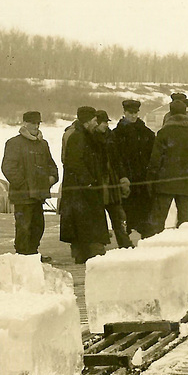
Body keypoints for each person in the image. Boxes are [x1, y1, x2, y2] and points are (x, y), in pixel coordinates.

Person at [1, 111, 59, 256]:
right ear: (25, 123)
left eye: (38, 123)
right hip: (22, 196)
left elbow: (51, 166)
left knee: (38, 226)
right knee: (23, 227)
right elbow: (8, 168)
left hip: (38, 196)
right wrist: (24, 185)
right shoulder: (14, 143)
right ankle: (22, 256)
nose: (36, 126)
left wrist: (51, 179)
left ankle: (33, 254)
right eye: (33, 123)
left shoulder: (42, 144)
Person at [59, 106, 110, 264]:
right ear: (87, 121)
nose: (96, 123)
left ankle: (85, 253)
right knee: (85, 222)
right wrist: (88, 180)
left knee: (84, 223)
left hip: (85, 189)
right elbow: (75, 162)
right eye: (95, 120)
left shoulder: (87, 136)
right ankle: (90, 253)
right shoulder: (78, 137)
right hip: (81, 190)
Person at [146, 99, 188, 235]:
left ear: (170, 114)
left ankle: (155, 248)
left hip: (164, 183)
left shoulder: (163, 133)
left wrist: (151, 180)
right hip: (186, 183)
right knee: (185, 222)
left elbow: (155, 160)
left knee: (158, 221)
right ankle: (184, 249)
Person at [112, 99, 156, 236]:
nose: (133, 116)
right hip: (126, 179)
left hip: (142, 179)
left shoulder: (146, 133)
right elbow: (115, 158)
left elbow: (152, 155)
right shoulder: (116, 134)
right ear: (124, 112)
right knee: (126, 214)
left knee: (144, 213)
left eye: (135, 113)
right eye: (130, 113)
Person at [92, 110, 133, 249]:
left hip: (112, 182)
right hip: (100, 183)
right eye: (103, 122)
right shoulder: (91, 139)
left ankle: (125, 243)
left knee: (118, 215)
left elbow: (118, 159)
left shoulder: (111, 137)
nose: (106, 125)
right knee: (98, 217)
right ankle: (99, 246)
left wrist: (123, 177)